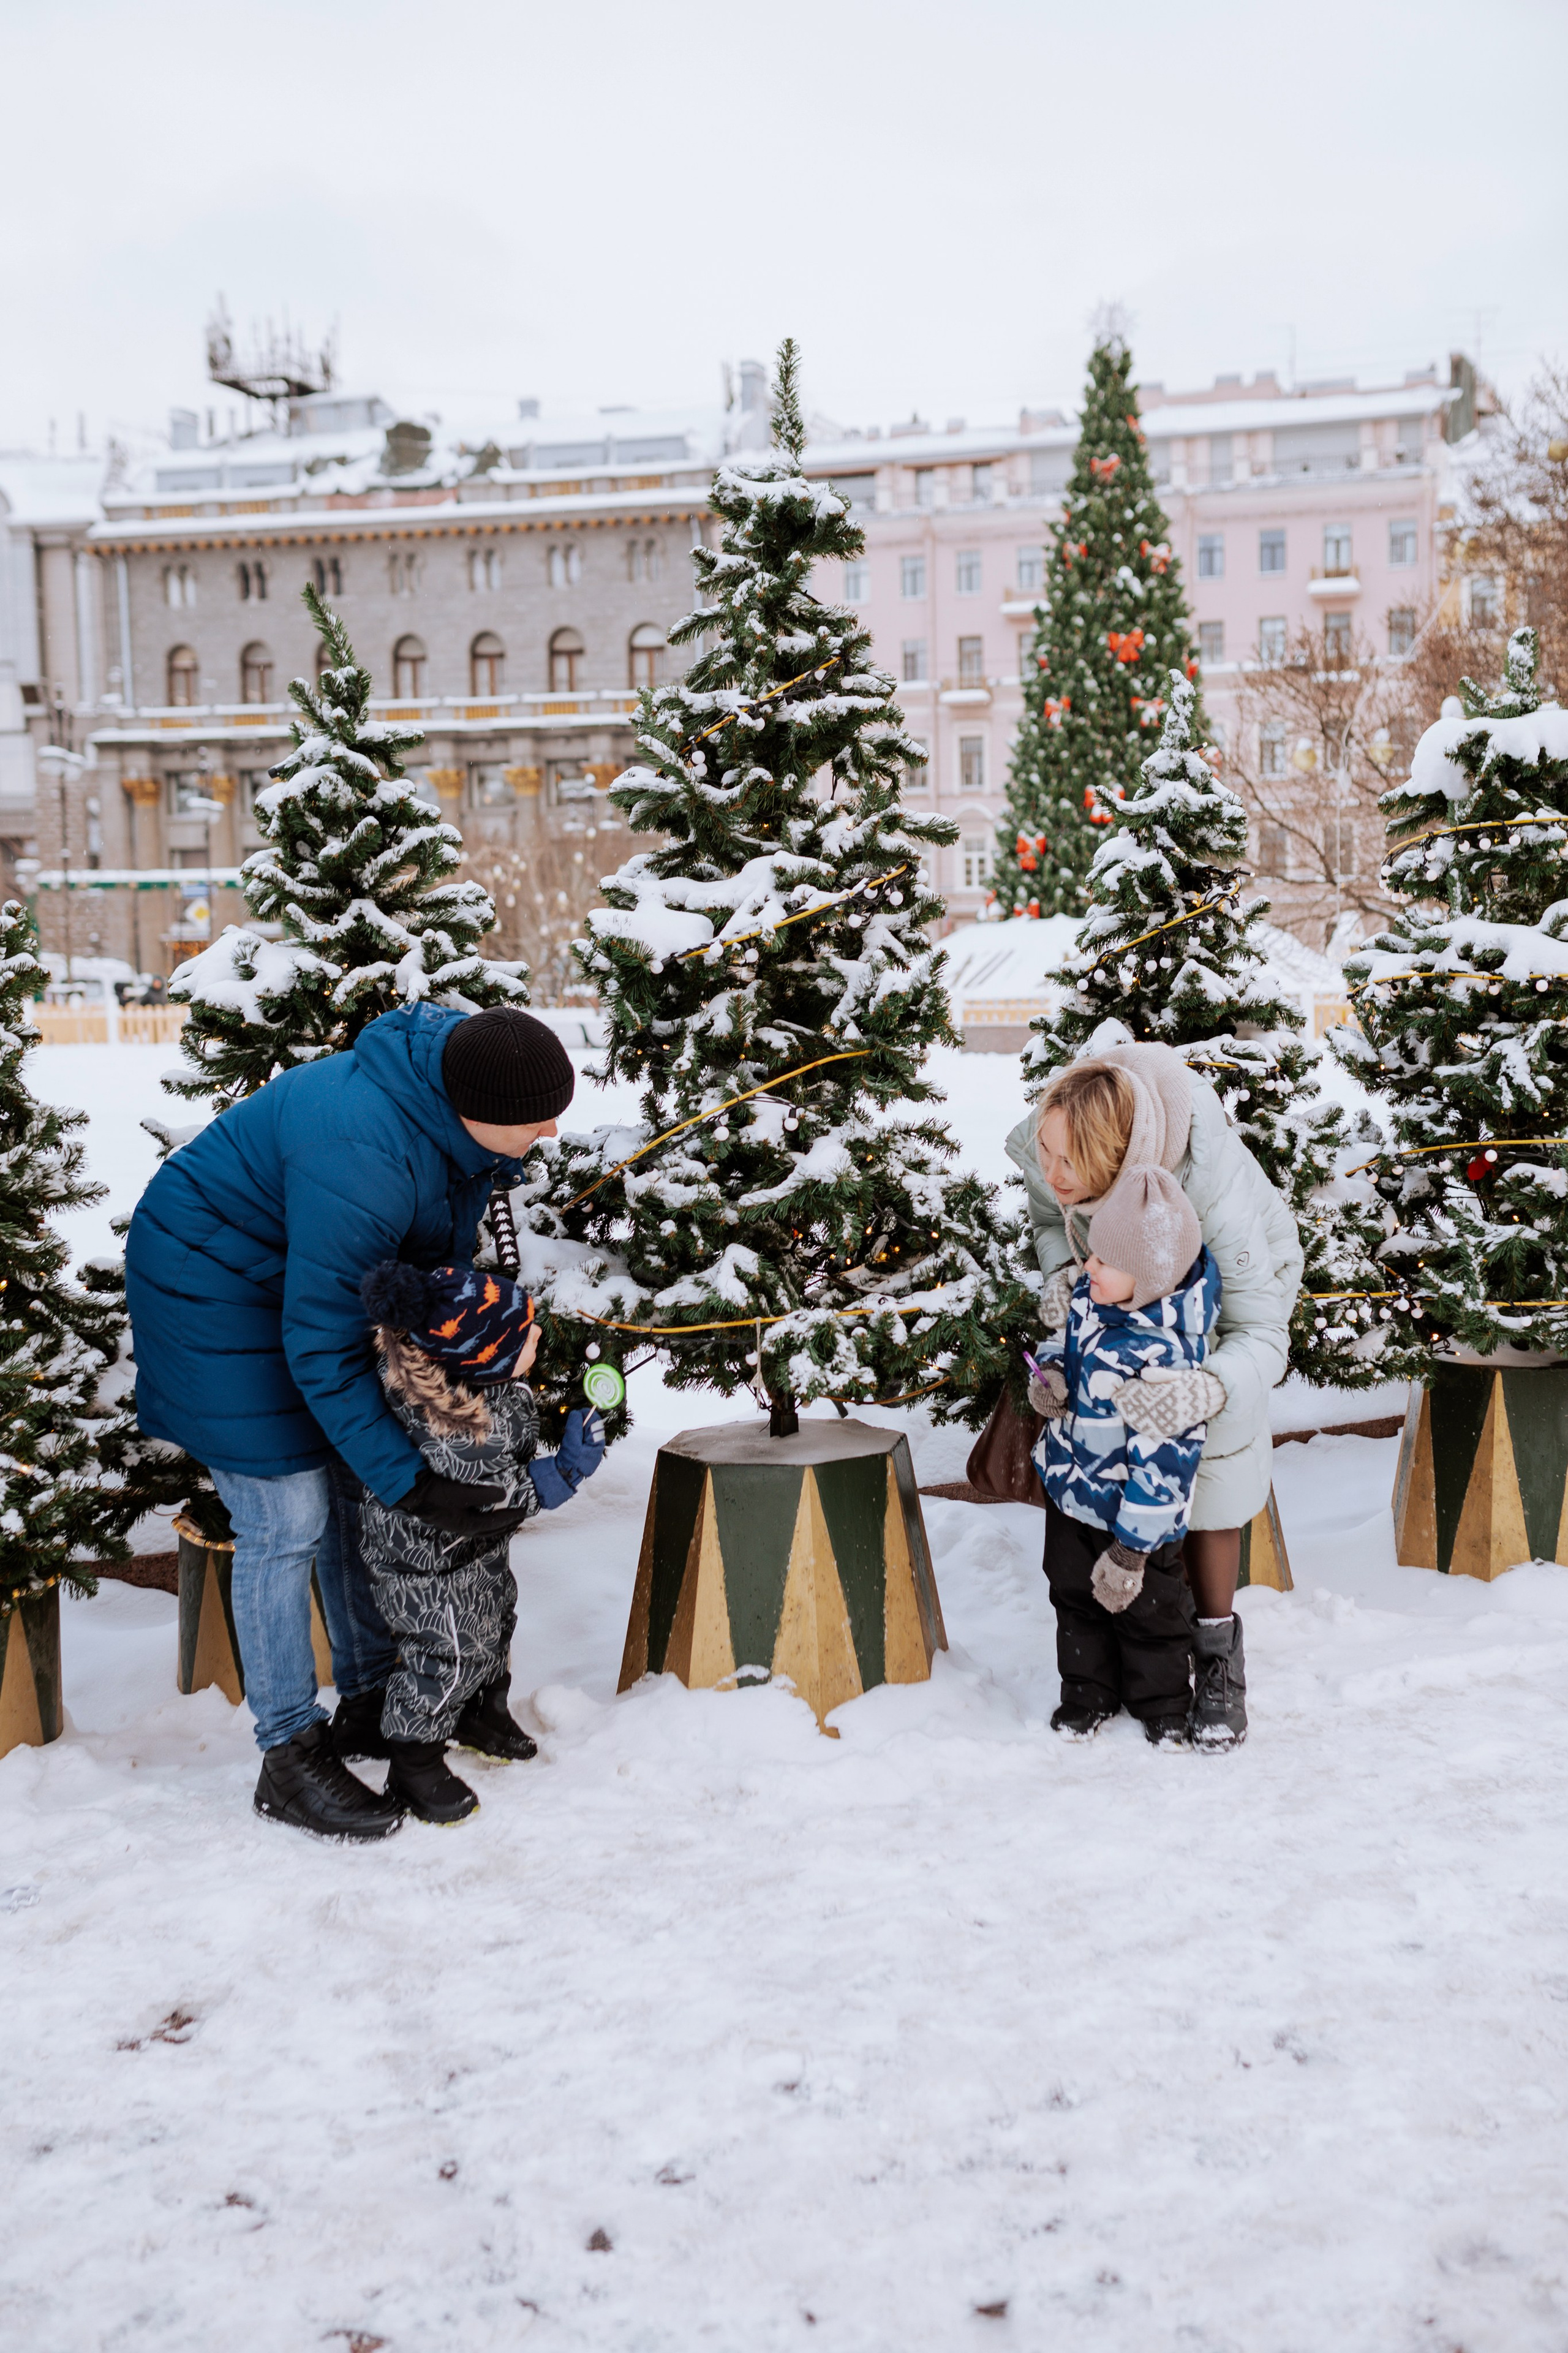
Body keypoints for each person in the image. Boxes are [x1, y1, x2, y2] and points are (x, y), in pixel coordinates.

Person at [125, 1002, 577, 1842]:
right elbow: (324, 1344)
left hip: (292, 1271)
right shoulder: (365, 1154)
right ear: (471, 1110)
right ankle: (288, 1753)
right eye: (532, 1119)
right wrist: (408, 1479)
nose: (551, 1129)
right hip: (209, 1284)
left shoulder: (451, 1105)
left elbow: (401, 1276)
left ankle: (369, 1702)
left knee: (345, 1478)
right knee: (285, 1514)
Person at [1008, 1031, 1303, 1750]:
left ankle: (1214, 1653)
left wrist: (1205, 1388)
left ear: (1116, 1158)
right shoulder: (1062, 1131)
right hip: (1117, 1272)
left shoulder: (1210, 1182)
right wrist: (1064, 1277)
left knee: (1207, 1445)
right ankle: (1105, 1660)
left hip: (1238, 1290)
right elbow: (1052, 1219)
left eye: (1066, 1163)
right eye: (1044, 1155)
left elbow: (1262, 1333)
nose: (1050, 1174)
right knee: (1107, 1414)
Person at [342, 1258, 606, 1826]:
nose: (538, 1334)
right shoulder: (449, 1426)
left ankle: (480, 1713)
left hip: (470, 1554)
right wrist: (564, 1472)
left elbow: (506, 1443)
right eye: (524, 1334)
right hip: (424, 1569)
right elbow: (493, 1497)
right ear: (482, 1357)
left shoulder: (485, 1385)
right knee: (446, 1653)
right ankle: (412, 1761)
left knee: (495, 1620)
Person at [1030, 1163, 1221, 1745]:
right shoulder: (1091, 1300)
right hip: (1072, 1490)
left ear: (1151, 1275)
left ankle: (1162, 1701)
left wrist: (1132, 1551)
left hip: (1134, 1520)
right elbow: (1059, 1343)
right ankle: (1087, 1692)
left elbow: (1167, 1468)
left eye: (1104, 1261)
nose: (1087, 1266)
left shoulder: (1165, 1359)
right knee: (1074, 1596)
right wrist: (1055, 1374)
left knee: (1151, 1612)